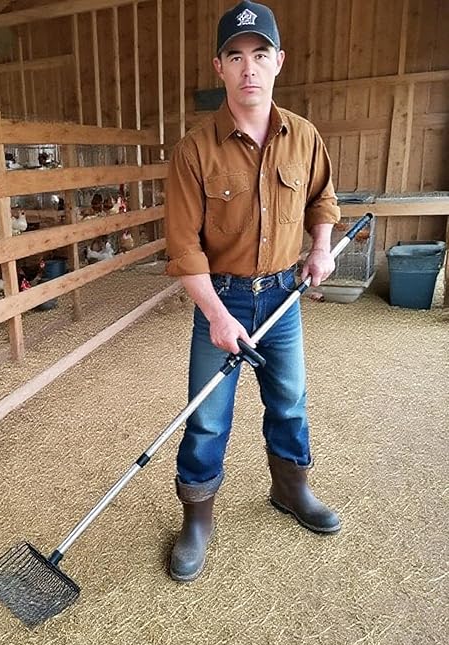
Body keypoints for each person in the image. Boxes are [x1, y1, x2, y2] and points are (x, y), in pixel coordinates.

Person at [164, 0, 341, 583]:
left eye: (260, 55)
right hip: (221, 299)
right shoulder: (194, 150)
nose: (249, 68)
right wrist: (216, 314)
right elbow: (184, 247)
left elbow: (322, 200)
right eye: (236, 56)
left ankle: (291, 489)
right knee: (207, 416)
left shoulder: (304, 137)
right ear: (219, 67)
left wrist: (320, 248)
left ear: (278, 61)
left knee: (289, 401)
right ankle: (197, 518)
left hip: (283, 298)